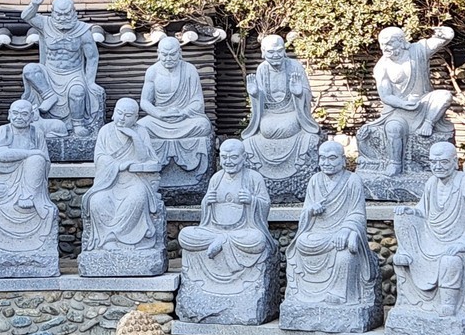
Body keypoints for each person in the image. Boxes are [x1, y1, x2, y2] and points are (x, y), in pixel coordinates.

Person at [393, 143, 465, 317]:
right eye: (433, 162)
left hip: (457, 241)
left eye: (444, 162)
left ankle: (448, 304)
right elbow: (423, 210)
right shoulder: (432, 183)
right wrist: (410, 211)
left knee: (450, 260)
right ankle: (406, 254)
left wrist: (463, 243)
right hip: (430, 240)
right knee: (402, 216)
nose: (438, 166)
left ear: (455, 162)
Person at [179, 139, 277, 293]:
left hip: (242, 231)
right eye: (224, 157)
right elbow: (205, 218)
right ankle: (223, 239)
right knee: (185, 235)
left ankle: (223, 241)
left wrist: (252, 200)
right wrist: (207, 202)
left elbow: (265, 204)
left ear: (244, 157)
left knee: (257, 240)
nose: (228, 161)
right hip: (214, 230)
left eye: (233, 157)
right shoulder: (216, 178)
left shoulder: (254, 177)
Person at [285, 141, 375, 308]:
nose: (326, 163)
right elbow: (305, 212)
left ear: (343, 160)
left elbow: (358, 213)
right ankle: (303, 294)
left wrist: (346, 230)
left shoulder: (353, 180)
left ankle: (339, 293)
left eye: (332, 158)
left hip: (341, 232)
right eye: (322, 158)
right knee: (301, 242)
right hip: (318, 233)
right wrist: (311, 210)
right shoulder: (315, 180)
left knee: (345, 254)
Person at [359, 26, 455, 176]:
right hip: (398, 110)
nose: (385, 47)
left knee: (445, 96)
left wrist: (443, 33)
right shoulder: (382, 66)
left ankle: (428, 123)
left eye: (389, 43)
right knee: (393, 129)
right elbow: (385, 96)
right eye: (382, 44)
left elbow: (445, 38)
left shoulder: (418, 50)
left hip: (424, 103)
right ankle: (395, 163)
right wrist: (402, 104)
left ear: (401, 41)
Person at [0, 99, 56, 256]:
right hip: (5, 178)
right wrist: (29, 153)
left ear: (32, 116)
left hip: (30, 183)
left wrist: (33, 158)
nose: (19, 117)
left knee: (37, 159)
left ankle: (29, 197)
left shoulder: (36, 133)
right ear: (9, 115)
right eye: (15, 113)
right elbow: (0, 155)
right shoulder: (2, 131)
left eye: (24, 114)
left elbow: (45, 160)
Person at [83, 98, 161, 255]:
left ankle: (123, 238)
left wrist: (134, 136)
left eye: (128, 115)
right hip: (109, 181)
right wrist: (119, 166)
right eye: (119, 113)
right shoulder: (105, 131)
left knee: (137, 198)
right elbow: (99, 159)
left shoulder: (141, 131)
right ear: (113, 113)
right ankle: (107, 240)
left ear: (135, 118)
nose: (122, 118)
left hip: (134, 180)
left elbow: (144, 158)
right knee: (97, 201)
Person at [21, 0, 104, 137]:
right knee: (29, 69)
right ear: (52, 12)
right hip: (50, 72)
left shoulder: (83, 31)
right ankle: (49, 95)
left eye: (66, 14)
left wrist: (90, 82)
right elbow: (26, 17)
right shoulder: (45, 24)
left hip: (73, 73)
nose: (62, 18)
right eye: (59, 14)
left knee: (77, 92)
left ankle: (77, 124)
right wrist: (35, 4)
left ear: (73, 12)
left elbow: (92, 57)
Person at [241, 34, 320, 181]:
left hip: (291, 111)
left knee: (287, 127)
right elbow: (261, 101)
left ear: (284, 50)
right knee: (266, 129)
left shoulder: (295, 66)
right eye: (271, 52)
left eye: (279, 50)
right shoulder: (262, 69)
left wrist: (299, 93)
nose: (275, 55)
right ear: (263, 52)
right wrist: (255, 94)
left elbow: (307, 92)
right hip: (270, 114)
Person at [138, 38, 211, 173]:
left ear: (180, 53)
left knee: (203, 125)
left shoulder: (189, 70)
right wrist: (159, 114)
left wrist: (183, 112)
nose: (168, 58)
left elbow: (198, 102)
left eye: (172, 54)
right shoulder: (152, 71)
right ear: (158, 53)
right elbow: (144, 102)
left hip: (184, 119)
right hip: (159, 120)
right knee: (141, 127)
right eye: (164, 54)